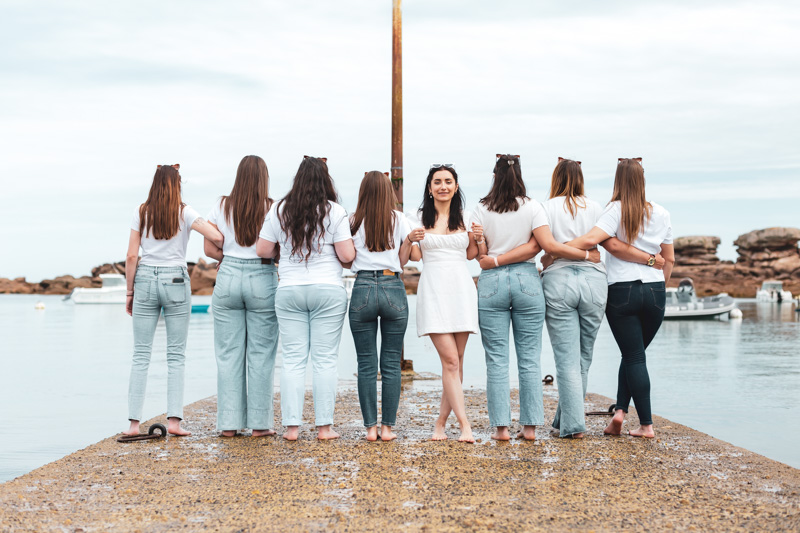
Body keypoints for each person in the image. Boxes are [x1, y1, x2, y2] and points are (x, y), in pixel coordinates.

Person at [473, 154, 602, 441]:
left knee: (496, 359)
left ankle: (501, 429)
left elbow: (477, 253)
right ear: (520, 176)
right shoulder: (533, 206)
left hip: (492, 282)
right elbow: (538, 246)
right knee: (530, 358)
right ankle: (530, 428)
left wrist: (489, 257)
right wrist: (586, 255)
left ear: (494, 176)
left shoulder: (480, 208)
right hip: (527, 281)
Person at [564, 158, 674, 438]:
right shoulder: (661, 213)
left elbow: (593, 240)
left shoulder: (615, 209)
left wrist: (556, 248)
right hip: (655, 292)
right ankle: (620, 413)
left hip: (622, 291)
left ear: (618, 180)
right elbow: (669, 259)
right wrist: (658, 287)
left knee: (634, 356)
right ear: (643, 180)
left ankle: (646, 425)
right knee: (634, 355)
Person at [256, 156, 355, 441]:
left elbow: (263, 249)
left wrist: (284, 253)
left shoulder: (278, 209)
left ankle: (292, 428)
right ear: (326, 181)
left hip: (289, 290)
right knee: (325, 360)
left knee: (293, 360)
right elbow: (347, 256)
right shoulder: (335, 211)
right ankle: (324, 428)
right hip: (327, 290)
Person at [124, 164, 224, 437]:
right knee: (176, 355)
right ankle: (174, 423)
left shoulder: (141, 212)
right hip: (177, 281)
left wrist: (130, 292)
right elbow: (215, 236)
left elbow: (132, 257)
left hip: (144, 280)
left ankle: (133, 424)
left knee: (141, 354)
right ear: (177, 184)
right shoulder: (185, 211)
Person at [204, 155, 278, 438]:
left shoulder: (221, 205)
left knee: (228, 354)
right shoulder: (272, 208)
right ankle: (260, 425)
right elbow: (276, 248)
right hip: (262, 277)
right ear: (264, 179)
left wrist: (232, 259)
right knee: (261, 354)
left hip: (229, 276)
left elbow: (210, 250)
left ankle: (229, 425)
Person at [409, 164, 480, 443]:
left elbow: (473, 254)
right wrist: (410, 239)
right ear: (429, 187)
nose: (443, 186)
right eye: (437, 182)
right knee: (450, 361)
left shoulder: (466, 217)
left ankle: (439, 424)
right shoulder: (416, 218)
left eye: (448, 181)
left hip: (461, 289)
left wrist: (479, 238)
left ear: (456, 186)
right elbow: (414, 256)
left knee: (457, 363)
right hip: (434, 290)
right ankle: (465, 426)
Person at [344, 171, 417, 442]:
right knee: (390, 363)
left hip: (362, 286)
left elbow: (348, 260)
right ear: (389, 192)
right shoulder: (399, 219)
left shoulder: (352, 220)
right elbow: (403, 258)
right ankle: (387, 429)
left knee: (366, 364)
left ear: (363, 191)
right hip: (392, 286)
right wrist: (408, 241)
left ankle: (370, 430)